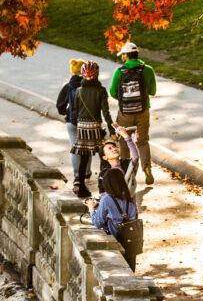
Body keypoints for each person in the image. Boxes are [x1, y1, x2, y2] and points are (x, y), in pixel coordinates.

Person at [108, 42, 157, 185]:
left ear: (125, 55)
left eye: (122, 54)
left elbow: (112, 92)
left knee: (124, 141)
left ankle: (128, 173)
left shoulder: (119, 72)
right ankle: (147, 167)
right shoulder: (147, 69)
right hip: (143, 111)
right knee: (142, 141)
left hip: (125, 114)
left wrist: (125, 100)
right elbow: (152, 91)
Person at [71, 60, 116, 198]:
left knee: (84, 157)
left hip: (82, 127)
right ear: (97, 74)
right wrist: (111, 130)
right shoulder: (101, 91)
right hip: (95, 127)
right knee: (104, 156)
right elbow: (106, 112)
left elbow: (75, 111)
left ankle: (79, 183)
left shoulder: (78, 91)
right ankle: (105, 187)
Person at [86, 168, 140, 271]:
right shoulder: (130, 197)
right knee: (130, 272)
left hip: (116, 243)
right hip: (131, 244)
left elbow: (98, 223)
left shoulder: (106, 199)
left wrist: (91, 209)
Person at [57, 59, 86, 193]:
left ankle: (76, 176)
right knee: (87, 147)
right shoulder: (88, 84)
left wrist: (66, 113)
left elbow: (60, 105)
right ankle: (87, 172)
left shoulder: (68, 86)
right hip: (86, 121)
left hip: (71, 121)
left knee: (75, 147)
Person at [98, 124, 140, 197]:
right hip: (114, 205)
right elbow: (102, 194)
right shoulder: (103, 174)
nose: (114, 149)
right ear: (104, 157)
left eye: (114, 147)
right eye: (110, 149)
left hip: (130, 204)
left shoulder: (127, 164)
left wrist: (126, 137)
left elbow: (135, 157)